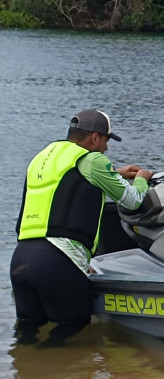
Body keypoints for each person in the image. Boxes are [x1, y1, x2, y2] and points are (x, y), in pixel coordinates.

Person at [12, 109, 152, 346]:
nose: (106, 149)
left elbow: (67, 184)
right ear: (95, 138)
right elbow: (133, 200)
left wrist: (115, 174)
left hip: (21, 260)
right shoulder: (93, 159)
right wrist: (142, 179)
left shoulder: (44, 156)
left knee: (27, 332)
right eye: (106, 141)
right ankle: (52, 366)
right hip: (57, 260)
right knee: (73, 330)